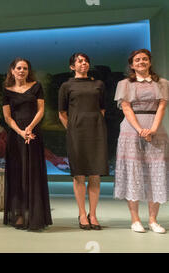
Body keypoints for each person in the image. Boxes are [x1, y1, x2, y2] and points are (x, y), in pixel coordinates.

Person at [114, 49, 169, 234]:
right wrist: (140, 130)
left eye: (145, 59)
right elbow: (126, 108)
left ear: (150, 62)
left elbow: (162, 107)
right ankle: (135, 219)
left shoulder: (162, 83)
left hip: (156, 129)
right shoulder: (124, 84)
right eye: (137, 60)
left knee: (156, 171)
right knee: (133, 171)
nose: (141, 62)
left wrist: (152, 129)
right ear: (131, 64)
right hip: (131, 129)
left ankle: (153, 220)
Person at [58, 53, 108, 230]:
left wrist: (94, 124)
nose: (83, 63)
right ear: (72, 66)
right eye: (79, 61)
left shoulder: (98, 84)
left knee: (95, 174)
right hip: (76, 133)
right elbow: (62, 113)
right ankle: (81, 213)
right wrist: (72, 129)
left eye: (86, 61)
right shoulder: (66, 86)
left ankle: (93, 214)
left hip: (96, 132)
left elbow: (102, 108)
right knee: (79, 174)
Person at [2, 57, 52, 231]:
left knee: (34, 174)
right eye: (19, 68)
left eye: (25, 68)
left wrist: (30, 128)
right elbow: (7, 117)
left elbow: (41, 110)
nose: (22, 70)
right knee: (18, 174)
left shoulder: (36, 87)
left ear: (28, 71)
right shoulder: (7, 91)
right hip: (16, 137)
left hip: (33, 135)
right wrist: (21, 132)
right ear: (12, 71)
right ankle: (20, 214)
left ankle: (35, 215)